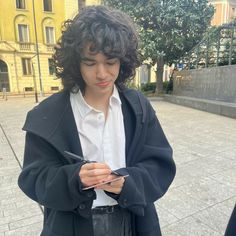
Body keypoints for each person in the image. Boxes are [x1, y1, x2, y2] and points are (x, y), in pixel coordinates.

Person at [18, 5, 176, 236]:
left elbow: (160, 165)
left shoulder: (138, 107)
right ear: (76, 62)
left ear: (123, 61)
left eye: (110, 62)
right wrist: (74, 179)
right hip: (71, 225)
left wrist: (128, 184)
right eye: (90, 63)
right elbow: (34, 178)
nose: (101, 73)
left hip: (132, 221)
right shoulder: (48, 114)